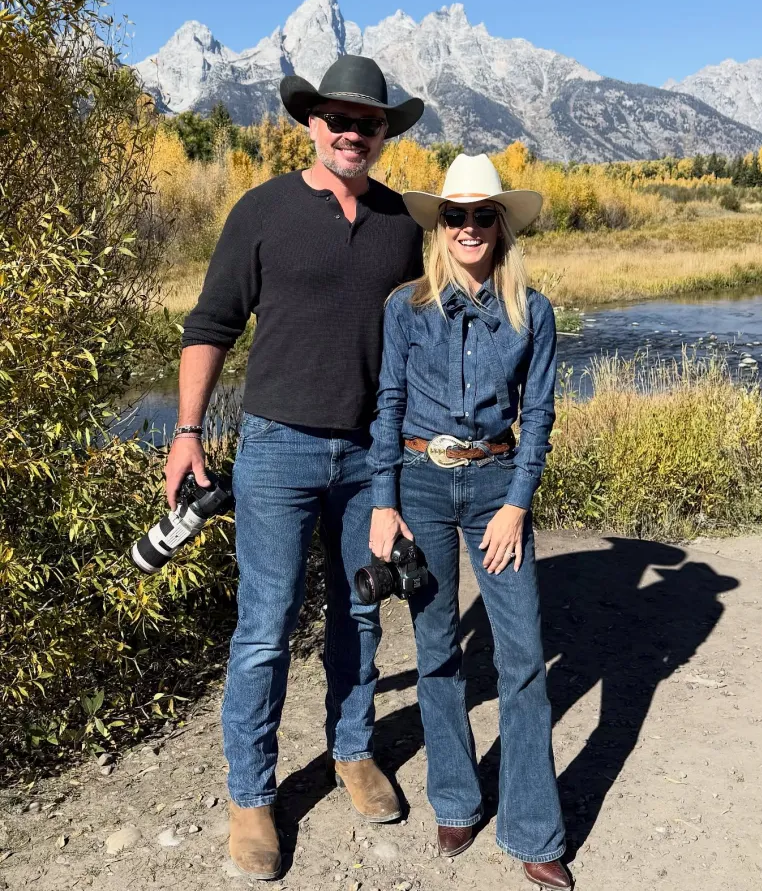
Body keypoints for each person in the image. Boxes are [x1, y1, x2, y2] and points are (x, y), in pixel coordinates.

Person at [165, 56, 425, 880]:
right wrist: (185, 430)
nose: (353, 132)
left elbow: (417, 342)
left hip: (369, 454)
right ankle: (251, 795)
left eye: (369, 122)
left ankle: (352, 750)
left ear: (385, 133)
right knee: (264, 625)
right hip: (276, 448)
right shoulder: (263, 209)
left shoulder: (398, 222)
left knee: (359, 612)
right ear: (311, 123)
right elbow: (210, 324)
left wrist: (419, 449)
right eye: (339, 119)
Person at [368, 154, 572, 889]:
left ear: (501, 225)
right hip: (419, 484)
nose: (466, 227)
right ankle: (455, 798)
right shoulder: (406, 307)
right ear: (438, 226)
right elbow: (387, 405)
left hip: (494, 486)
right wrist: (383, 500)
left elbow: (539, 415)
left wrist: (517, 503)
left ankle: (533, 829)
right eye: (453, 215)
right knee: (436, 652)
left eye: (481, 214)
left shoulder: (532, 311)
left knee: (521, 661)